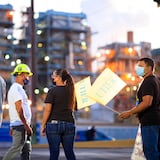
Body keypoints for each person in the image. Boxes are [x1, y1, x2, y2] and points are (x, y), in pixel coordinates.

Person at [119, 57, 160, 160]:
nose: (138, 69)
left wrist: (130, 112)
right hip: (156, 121)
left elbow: (147, 102)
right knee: (156, 151)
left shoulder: (148, 82)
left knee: (150, 152)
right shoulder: (155, 80)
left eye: (141, 66)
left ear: (150, 68)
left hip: (150, 122)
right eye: (138, 66)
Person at [41, 68, 76, 160]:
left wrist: (43, 125)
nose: (52, 77)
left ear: (59, 77)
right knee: (69, 152)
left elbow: (47, 110)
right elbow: (75, 108)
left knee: (54, 153)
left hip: (53, 125)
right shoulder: (71, 92)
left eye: (54, 76)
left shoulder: (52, 91)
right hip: (69, 124)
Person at [3, 63, 33, 160]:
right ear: (20, 75)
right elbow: (19, 109)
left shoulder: (19, 89)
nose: (27, 78)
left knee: (26, 150)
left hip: (21, 124)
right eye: (26, 75)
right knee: (16, 148)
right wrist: (26, 126)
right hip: (21, 125)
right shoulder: (16, 89)